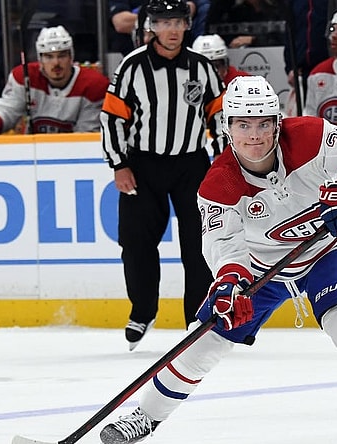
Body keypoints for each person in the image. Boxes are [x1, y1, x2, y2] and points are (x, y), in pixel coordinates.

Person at [98, 75, 337, 444]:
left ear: (278, 122)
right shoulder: (218, 184)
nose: (255, 135)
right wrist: (229, 283)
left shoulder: (309, 136)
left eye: (264, 124)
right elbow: (223, 245)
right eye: (243, 125)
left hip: (325, 251)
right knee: (204, 339)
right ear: (227, 127)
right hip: (260, 269)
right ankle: (146, 416)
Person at [100, 0, 226, 351]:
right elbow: (112, 117)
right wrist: (119, 164)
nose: (171, 29)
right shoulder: (132, 66)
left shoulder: (201, 66)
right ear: (151, 26)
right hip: (143, 165)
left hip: (192, 165)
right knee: (135, 242)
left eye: (178, 22)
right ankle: (143, 310)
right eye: (164, 22)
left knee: (199, 245)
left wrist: (224, 160)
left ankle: (197, 319)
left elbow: (219, 114)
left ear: (187, 25)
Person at [0, 25, 109, 137]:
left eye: (62, 55)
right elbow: (7, 110)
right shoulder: (24, 77)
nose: (56, 63)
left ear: (71, 57)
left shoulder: (94, 85)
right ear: (40, 60)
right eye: (49, 57)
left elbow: (85, 137)